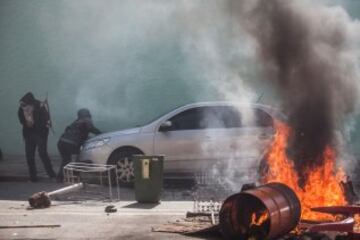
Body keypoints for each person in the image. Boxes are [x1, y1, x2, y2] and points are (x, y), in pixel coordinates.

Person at [18, 92, 56, 182]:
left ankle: (52, 175)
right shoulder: (22, 108)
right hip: (28, 134)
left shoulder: (40, 106)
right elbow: (21, 118)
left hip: (40, 134)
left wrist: (37, 123)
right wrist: (26, 121)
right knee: (29, 156)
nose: (25, 105)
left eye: (27, 104)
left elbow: (46, 119)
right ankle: (33, 178)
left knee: (42, 153)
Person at [57, 108, 101, 182]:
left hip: (61, 142)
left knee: (66, 160)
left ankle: (60, 178)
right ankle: (75, 176)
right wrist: (102, 134)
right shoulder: (87, 121)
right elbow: (93, 130)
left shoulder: (75, 122)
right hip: (71, 144)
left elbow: (68, 130)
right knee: (78, 159)